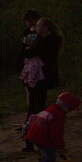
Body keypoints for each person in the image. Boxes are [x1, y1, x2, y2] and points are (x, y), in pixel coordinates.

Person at [20, 16, 64, 152]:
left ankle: (36, 139)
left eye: (38, 26)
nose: (35, 28)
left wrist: (28, 45)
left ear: (45, 28)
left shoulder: (49, 41)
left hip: (40, 77)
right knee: (35, 106)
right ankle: (32, 139)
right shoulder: (46, 40)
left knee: (36, 107)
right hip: (40, 77)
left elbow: (31, 53)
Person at [24, 92, 82, 162]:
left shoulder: (50, 110)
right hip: (40, 137)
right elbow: (57, 133)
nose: (71, 111)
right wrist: (60, 147)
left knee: (47, 153)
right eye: (71, 108)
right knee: (50, 156)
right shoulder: (57, 115)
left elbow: (34, 119)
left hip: (35, 135)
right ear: (66, 106)